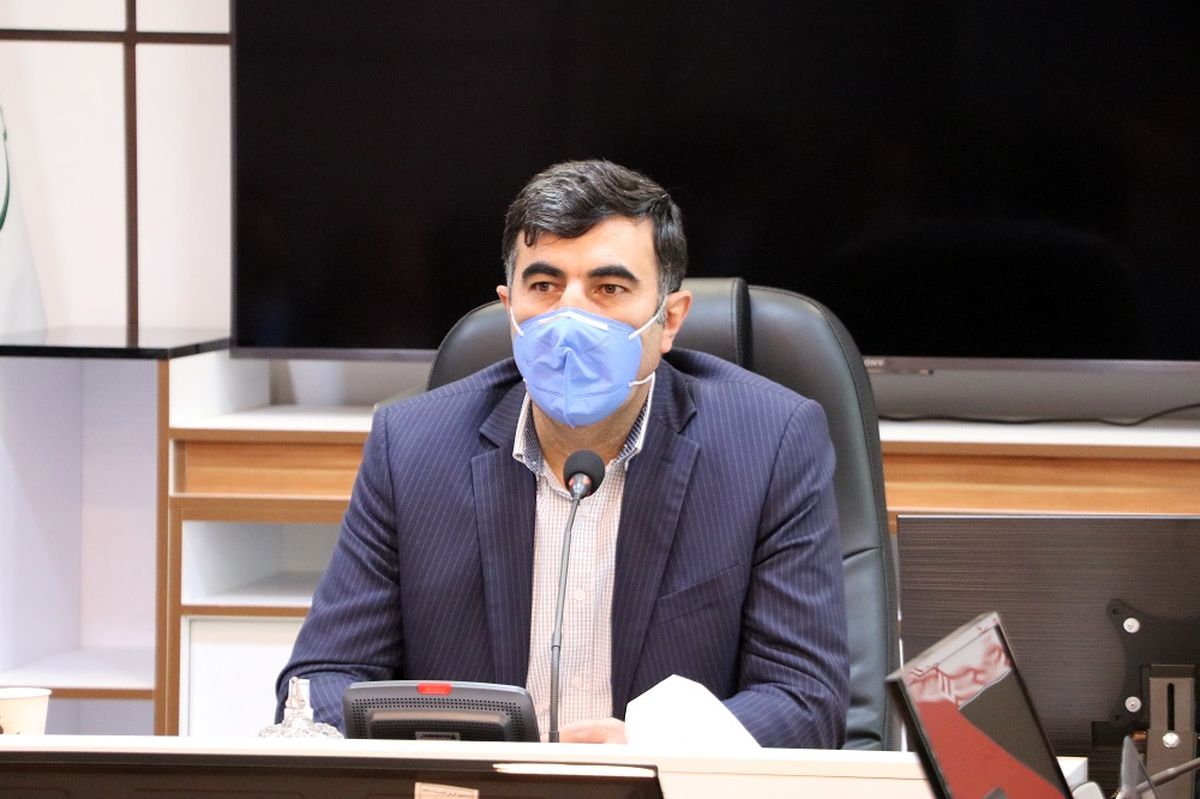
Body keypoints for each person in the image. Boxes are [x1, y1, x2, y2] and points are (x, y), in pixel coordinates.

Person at [276, 159, 849, 747]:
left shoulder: (771, 444)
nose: (570, 317)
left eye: (609, 288)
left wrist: (650, 744)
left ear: (670, 319)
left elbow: (805, 700)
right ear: (510, 308)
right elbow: (320, 683)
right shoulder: (412, 446)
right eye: (545, 286)